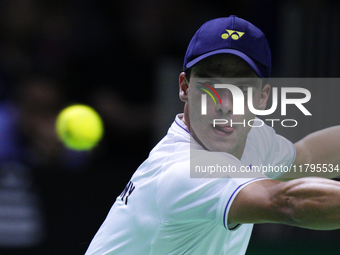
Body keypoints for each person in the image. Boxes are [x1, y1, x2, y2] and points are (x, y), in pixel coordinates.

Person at [84, 15, 340, 254]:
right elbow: (287, 202)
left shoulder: (252, 139)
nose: (225, 104)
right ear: (185, 87)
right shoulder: (185, 170)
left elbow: (307, 157)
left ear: (262, 98)